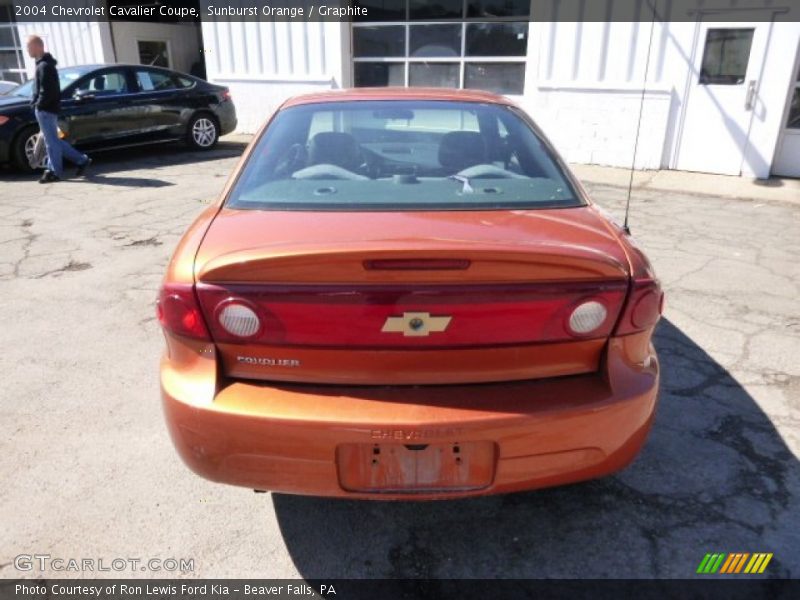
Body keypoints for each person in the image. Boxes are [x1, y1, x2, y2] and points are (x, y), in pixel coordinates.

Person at [26, 35, 91, 183]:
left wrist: (39, 104)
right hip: (46, 110)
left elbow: (49, 91)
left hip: (46, 110)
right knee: (53, 141)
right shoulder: (43, 64)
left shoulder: (45, 66)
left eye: (29, 46)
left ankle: (55, 172)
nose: (27, 50)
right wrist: (36, 102)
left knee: (51, 142)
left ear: (38, 47)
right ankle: (81, 160)